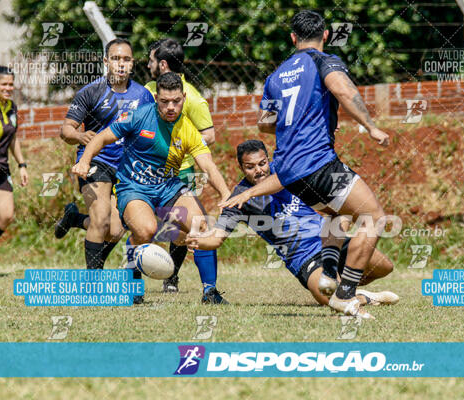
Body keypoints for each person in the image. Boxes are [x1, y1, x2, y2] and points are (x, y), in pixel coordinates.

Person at [220, 10, 391, 319]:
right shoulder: (323, 60)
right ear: (325, 35)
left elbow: (265, 123)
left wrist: (305, 123)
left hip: (288, 173)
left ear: (292, 38)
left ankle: (328, 272)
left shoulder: (275, 76)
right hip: (318, 163)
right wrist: (370, 126)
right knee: (373, 217)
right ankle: (346, 293)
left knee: (335, 214)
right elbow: (342, 89)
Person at [71, 72, 230, 304]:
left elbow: (208, 165)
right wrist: (84, 161)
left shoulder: (188, 130)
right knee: (146, 230)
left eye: (176, 101)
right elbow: (102, 138)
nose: (171, 107)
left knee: (201, 224)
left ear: (184, 97)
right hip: (133, 187)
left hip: (168, 188)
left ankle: (210, 291)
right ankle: (132, 284)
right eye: (165, 102)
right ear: (156, 98)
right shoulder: (138, 116)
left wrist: (226, 194)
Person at [187, 140, 398, 307]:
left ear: (268, 159)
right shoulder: (239, 198)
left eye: (262, 163)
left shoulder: (285, 171)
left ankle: (343, 287)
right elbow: (217, 238)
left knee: (384, 267)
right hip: (303, 258)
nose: (259, 170)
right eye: (250, 167)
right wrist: (199, 241)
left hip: (330, 241)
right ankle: (360, 296)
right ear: (241, 167)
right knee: (330, 302)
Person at [55, 38, 155, 270]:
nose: (121, 64)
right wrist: (80, 137)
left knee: (116, 230)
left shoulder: (143, 95)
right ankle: (94, 284)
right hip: (95, 161)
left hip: (127, 168)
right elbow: (66, 129)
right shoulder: (91, 92)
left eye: (127, 59)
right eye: (116, 59)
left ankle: (76, 219)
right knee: (100, 218)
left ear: (132, 64)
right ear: (106, 62)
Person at [145, 38, 224, 302]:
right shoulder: (146, 91)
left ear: (163, 64)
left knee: (184, 225)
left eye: (152, 60)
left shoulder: (192, 97)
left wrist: (182, 145)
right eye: (165, 102)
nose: (148, 64)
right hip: (145, 174)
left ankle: (175, 275)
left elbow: (209, 136)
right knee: (151, 226)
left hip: (182, 170)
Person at [0, 66, 28, 276]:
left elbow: (13, 138)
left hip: (2, 168)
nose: (8, 88)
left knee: (6, 215)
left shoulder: (11, 107)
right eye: (4, 84)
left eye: (11, 84)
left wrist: (22, 165)